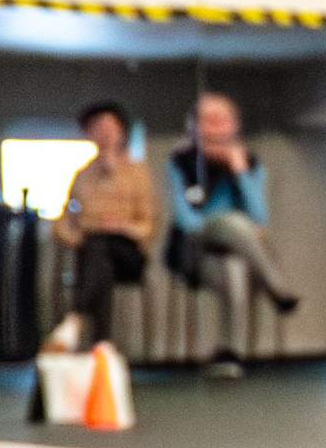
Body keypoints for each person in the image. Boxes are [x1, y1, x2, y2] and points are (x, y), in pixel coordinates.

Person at [166, 92, 299, 379]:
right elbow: (184, 216)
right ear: (194, 125)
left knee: (235, 265)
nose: (216, 127)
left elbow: (260, 216)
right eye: (208, 120)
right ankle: (275, 285)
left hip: (236, 253)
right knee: (235, 222)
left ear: (234, 125)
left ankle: (229, 355)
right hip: (194, 249)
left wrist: (239, 170)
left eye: (222, 120)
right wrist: (220, 227)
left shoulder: (250, 164)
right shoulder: (181, 162)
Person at [47, 101, 156, 353]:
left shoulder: (137, 173)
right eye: (98, 128)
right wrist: (78, 237)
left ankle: (74, 318)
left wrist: (121, 226)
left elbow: (148, 224)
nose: (105, 133)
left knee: (102, 248)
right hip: (92, 251)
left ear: (122, 132)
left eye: (111, 127)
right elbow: (63, 222)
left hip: (128, 252)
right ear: (88, 133)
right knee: (100, 259)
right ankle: (101, 346)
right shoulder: (82, 175)